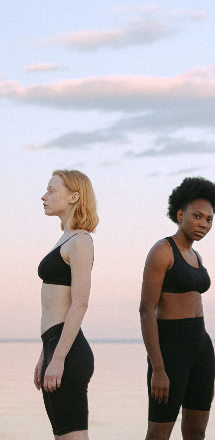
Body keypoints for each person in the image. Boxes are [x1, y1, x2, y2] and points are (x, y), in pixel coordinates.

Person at [139, 177, 215, 440]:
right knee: (158, 433)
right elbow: (145, 310)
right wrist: (158, 369)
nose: (203, 224)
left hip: (201, 347)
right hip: (170, 349)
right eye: (197, 216)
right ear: (179, 214)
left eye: (208, 219)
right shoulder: (162, 251)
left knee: (197, 431)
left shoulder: (196, 256)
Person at [36, 170, 98, 439]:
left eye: (51, 190)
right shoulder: (66, 238)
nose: (44, 196)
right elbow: (53, 306)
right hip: (55, 345)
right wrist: (45, 355)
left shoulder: (81, 241)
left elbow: (80, 304)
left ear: (74, 196)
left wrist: (58, 358)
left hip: (68, 352)